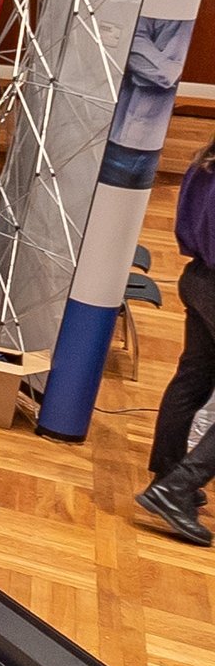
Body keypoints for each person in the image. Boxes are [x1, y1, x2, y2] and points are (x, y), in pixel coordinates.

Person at [139, 137, 215, 547]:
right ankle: (177, 488)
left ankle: (168, 471)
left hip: (198, 279)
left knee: (192, 380)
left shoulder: (204, 161)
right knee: (193, 380)